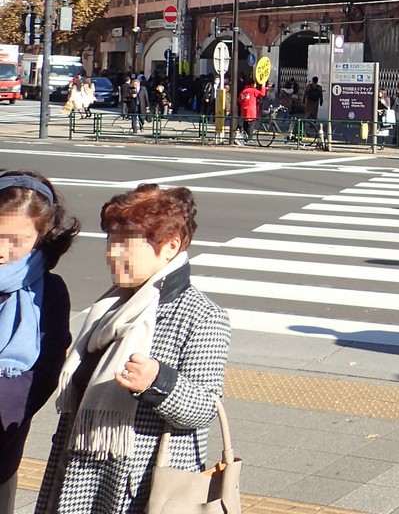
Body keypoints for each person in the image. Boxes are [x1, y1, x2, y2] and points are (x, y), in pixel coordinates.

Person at [36, 184, 229, 514]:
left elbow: (204, 408)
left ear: (170, 247)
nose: (113, 254)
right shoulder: (111, 304)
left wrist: (158, 381)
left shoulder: (202, 315)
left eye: (126, 246)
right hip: (77, 471)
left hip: (137, 484)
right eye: (112, 242)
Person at [0, 172, 78, 514]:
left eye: (18, 240)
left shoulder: (49, 291)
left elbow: (47, 370)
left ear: (41, 238)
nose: (3, 251)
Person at [237, 81, 270, 145]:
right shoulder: (253, 90)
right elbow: (262, 94)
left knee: (245, 123)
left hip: (244, 109)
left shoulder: (243, 91)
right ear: (252, 84)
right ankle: (250, 137)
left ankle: (245, 136)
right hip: (251, 109)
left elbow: (240, 100)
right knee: (252, 124)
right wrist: (263, 86)